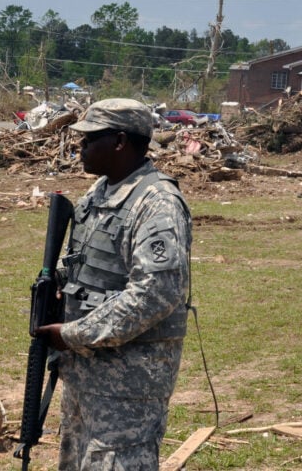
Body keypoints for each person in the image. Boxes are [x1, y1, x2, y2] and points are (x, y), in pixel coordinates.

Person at [36, 98, 192, 470]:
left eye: (90, 139)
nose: (81, 146)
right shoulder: (100, 193)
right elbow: (81, 260)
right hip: (86, 372)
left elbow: (155, 294)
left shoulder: (157, 204)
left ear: (120, 142)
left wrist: (73, 333)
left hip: (129, 384)